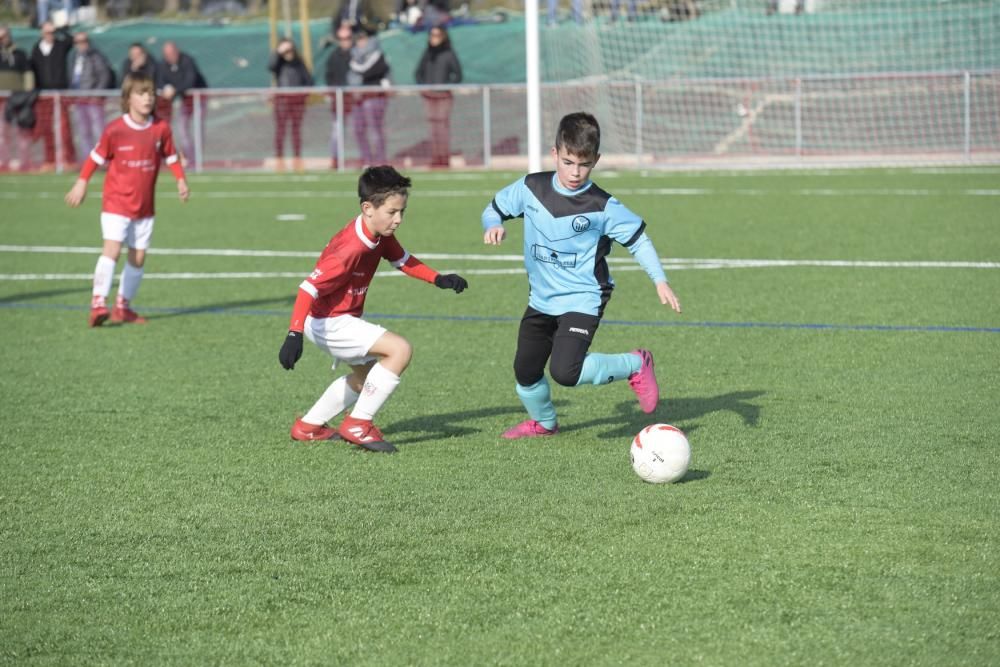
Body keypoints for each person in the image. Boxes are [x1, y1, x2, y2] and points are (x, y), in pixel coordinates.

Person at [480, 112, 682, 439]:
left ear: (596, 160)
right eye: (568, 161)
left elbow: (638, 240)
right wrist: (493, 225)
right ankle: (544, 423)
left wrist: (659, 279)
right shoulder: (531, 188)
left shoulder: (602, 205)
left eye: (584, 164)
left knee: (565, 371)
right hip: (541, 298)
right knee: (526, 370)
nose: (575, 172)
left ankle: (635, 364)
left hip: (584, 297)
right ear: (555, 153)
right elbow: (493, 209)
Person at [277, 165, 468, 452]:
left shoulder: (379, 233)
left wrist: (438, 279)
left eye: (402, 211)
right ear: (368, 208)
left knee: (366, 378)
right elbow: (308, 288)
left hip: (337, 319)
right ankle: (359, 423)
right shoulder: (350, 249)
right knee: (399, 350)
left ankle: (309, 426)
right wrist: (293, 335)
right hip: (328, 321)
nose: (398, 219)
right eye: (392, 212)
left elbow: (402, 260)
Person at [64, 72, 190, 327]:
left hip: (144, 206)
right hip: (116, 202)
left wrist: (180, 179)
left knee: (138, 257)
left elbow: (171, 155)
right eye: (141, 93)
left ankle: (123, 306)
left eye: (151, 93)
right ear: (128, 98)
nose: (148, 98)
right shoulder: (115, 130)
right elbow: (95, 157)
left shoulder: (160, 128)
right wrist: (81, 182)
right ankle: (98, 303)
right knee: (111, 249)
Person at [29, 21, 76, 169]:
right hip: (44, 94)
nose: (50, 35)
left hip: (60, 93)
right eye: (47, 32)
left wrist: (59, 29)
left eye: (52, 32)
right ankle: (50, 160)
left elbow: (71, 39)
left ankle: (68, 159)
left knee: (64, 128)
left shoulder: (61, 45)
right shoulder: (37, 49)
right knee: (46, 129)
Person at [413, 25, 461, 168]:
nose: (434, 39)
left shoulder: (448, 53)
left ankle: (443, 158)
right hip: (428, 96)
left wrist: (445, 87)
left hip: (443, 96)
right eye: (432, 35)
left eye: (437, 35)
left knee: (442, 127)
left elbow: (457, 75)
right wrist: (423, 87)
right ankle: (435, 158)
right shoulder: (427, 53)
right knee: (433, 128)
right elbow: (418, 73)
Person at [157, 40, 207, 165]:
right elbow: (160, 80)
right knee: (181, 128)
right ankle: (190, 158)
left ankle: (197, 159)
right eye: (167, 54)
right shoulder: (163, 64)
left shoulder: (187, 61)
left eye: (172, 53)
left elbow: (190, 80)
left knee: (197, 128)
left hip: (197, 99)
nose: (170, 56)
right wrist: (166, 88)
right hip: (183, 100)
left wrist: (175, 89)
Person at [268, 38, 312, 172]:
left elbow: (309, 81)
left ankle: (297, 159)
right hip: (282, 101)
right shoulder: (279, 64)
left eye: (289, 49)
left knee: (296, 131)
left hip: (297, 101)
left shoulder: (299, 63)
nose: (288, 53)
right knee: (281, 131)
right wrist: (278, 52)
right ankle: (279, 159)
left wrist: (302, 95)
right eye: (285, 50)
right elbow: (271, 66)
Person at [348, 25, 390, 166]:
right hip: (358, 98)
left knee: (375, 130)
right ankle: (366, 159)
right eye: (358, 39)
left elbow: (368, 72)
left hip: (374, 97)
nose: (360, 41)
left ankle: (379, 160)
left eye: (363, 38)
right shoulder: (352, 55)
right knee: (358, 129)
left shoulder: (378, 55)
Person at [68, 31, 114, 159]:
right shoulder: (74, 57)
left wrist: (96, 94)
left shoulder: (96, 56)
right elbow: (73, 77)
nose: (81, 44)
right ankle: (88, 159)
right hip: (79, 99)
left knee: (98, 130)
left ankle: (102, 157)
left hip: (93, 100)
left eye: (83, 41)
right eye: (77, 42)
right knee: (83, 131)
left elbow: (104, 75)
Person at [0, 25, 33, 172]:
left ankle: (23, 160)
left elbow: (28, 76)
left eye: (4, 36)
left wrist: (27, 95)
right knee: (2, 132)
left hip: (18, 99)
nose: (2, 40)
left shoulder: (20, 54)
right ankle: (4, 161)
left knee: (21, 131)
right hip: (1, 101)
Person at [323, 24, 353, 169]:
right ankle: (335, 159)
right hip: (339, 100)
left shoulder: (357, 54)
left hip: (356, 100)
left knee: (360, 130)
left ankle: (367, 160)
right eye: (341, 38)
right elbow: (329, 76)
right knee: (337, 131)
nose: (344, 41)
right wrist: (333, 93)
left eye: (347, 38)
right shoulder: (334, 56)